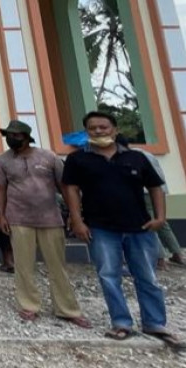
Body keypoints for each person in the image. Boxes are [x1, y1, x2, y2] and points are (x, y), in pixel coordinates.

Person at [63, 111, 184, 349]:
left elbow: (155, 187)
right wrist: (77, 220)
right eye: (92, 128)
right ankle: (121, 322)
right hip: (101, 227)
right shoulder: (78, 160)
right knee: (109, 276)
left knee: (147, 276)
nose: (98, 131)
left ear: (115, 130)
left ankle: (155, 322)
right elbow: (71, 190)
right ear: (86, 132)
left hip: (139, 226)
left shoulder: (137, 158)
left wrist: (160, 217)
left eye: (103, 127)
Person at [0, 119, 89, 327]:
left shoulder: (48, 157)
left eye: (16, 135)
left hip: (50, 217)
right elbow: (0, 189)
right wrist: (1, 215)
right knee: (23, 265)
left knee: (57, 265)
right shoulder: (2, 161)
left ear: (27, 137)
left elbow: (65, 186)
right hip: (18, 218)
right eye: (9, 135)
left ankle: (67, 308)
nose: (11, 139)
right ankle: (29, 305)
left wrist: (75, 215)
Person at [139, 149, 186, 270]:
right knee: (162, 222)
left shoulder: (131, 155)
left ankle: (160, 259)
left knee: (150, 223)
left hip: (145, 191)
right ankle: (177, 254)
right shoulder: (148, 153)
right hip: (160, 190)